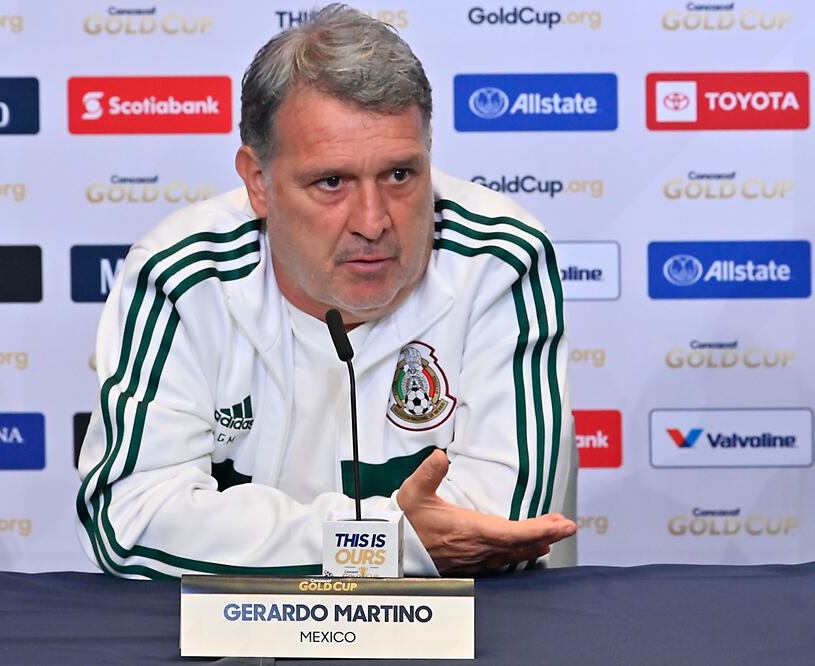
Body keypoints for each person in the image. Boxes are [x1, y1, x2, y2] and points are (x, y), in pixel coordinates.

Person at [76, 3, 576, 579]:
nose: (372, 221)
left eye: (399, 175)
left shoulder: (498, 258)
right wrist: (382, 545)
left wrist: (291, 543)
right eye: (332, 181)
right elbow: (128, 520)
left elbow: (499, 526)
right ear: (259, 182)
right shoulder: (183, 274)